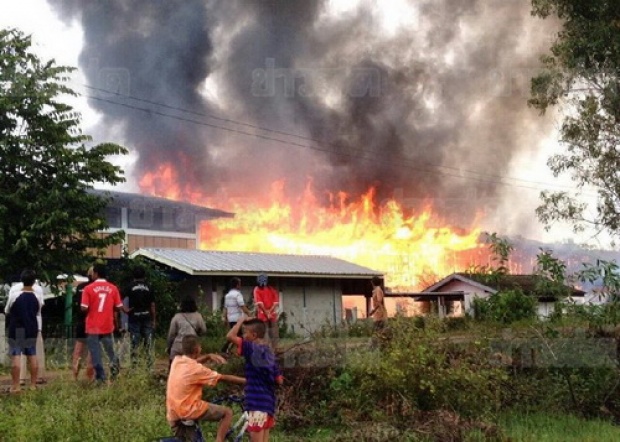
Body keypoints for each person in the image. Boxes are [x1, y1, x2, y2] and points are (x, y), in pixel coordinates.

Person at [166, 335, 246, 442]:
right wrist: (248, 381)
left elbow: (194, 361)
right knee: (227, 412)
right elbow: (223, 377)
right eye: (200, 346)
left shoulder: (177, 361)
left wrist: (208, 356)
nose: (201, 348)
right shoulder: (197, 370)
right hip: (189, 410)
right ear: (196, 349)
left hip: (173, 412)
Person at [227, 317, 283, 442]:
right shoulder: (270, 354)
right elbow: (279, 380)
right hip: (268, 405)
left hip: (256, 405)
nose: (244, 335)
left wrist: (240, 320)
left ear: (254, 335)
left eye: (245, 332)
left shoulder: (251, 347)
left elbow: (230, 336)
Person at [81, 262, 125, 383]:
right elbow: (119, 306)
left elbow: (84, 307)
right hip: (107, 325)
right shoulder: (113, 288)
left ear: (95, 273)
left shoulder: (88, 288)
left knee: (96, 353)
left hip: (93, 326)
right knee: (111, 351)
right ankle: (115, 373)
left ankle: (101, 378)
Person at [5, 272, 46, 386]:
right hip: (31, 328)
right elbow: (38, 311)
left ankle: (16, 385)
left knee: (16, 356)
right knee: (32, 355)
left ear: (21, 280)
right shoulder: (37, 297)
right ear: (34, 282)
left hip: (17, 328)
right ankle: (33, 385)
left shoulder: (15, 295)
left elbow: (7, 310)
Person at [123, 266, 156, 368]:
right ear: (144, 276)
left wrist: (125, 310)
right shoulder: (149, 287)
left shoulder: (129, 286)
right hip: (146, 317)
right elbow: (152, 305)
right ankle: (149, 366)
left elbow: (120, 300)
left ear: (133, 276)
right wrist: (154, 319)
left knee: (134, 342)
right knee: (148, 342)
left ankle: (134, 366)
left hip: (134, 317)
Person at [167, 296, 207, 366]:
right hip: (192, 347)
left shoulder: (177, 317)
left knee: (174, 367)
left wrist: (169, 347)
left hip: (178, 347)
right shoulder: (198, 316)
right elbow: (204, 330)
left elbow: (171, 334)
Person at [72, 267, 95, 381]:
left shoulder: (80, 287)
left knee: (78, 350)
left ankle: (74, 376)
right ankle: (89, 377)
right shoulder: (96, 288)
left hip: (81, 321)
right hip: (93, 322)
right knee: (92, 350)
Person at [221, 277, 251, 354]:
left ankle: (229, 350)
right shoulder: (238, 294)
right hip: (238, 319)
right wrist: (249, 313)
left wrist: (224, 318)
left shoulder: (227, 295)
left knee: (235, 334)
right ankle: (227, 349)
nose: (240, 285)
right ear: (237, 285)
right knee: (239, 336)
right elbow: (242, 306)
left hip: (231, 318)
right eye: (240, 284)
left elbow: (225, 308)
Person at [252, 274, 280, 350]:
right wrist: (270, 312)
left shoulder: (257, 289)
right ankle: (273, 348)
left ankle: (268, 348)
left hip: (263, 315)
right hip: (271, 315)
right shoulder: (271, 289)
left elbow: (260, 304)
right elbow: (276, 302)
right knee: (273, 332)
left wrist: (267, 313)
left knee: (265, 332)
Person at [369, 276, 388, 347]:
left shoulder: (378, 290)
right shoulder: (376, 290)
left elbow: (379, 301)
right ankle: (377, 345)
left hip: (380, 313)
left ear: (373, 283)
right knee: (378, 331)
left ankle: (375, 346)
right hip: (378, 313)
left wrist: (373, 311)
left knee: (378, 330)